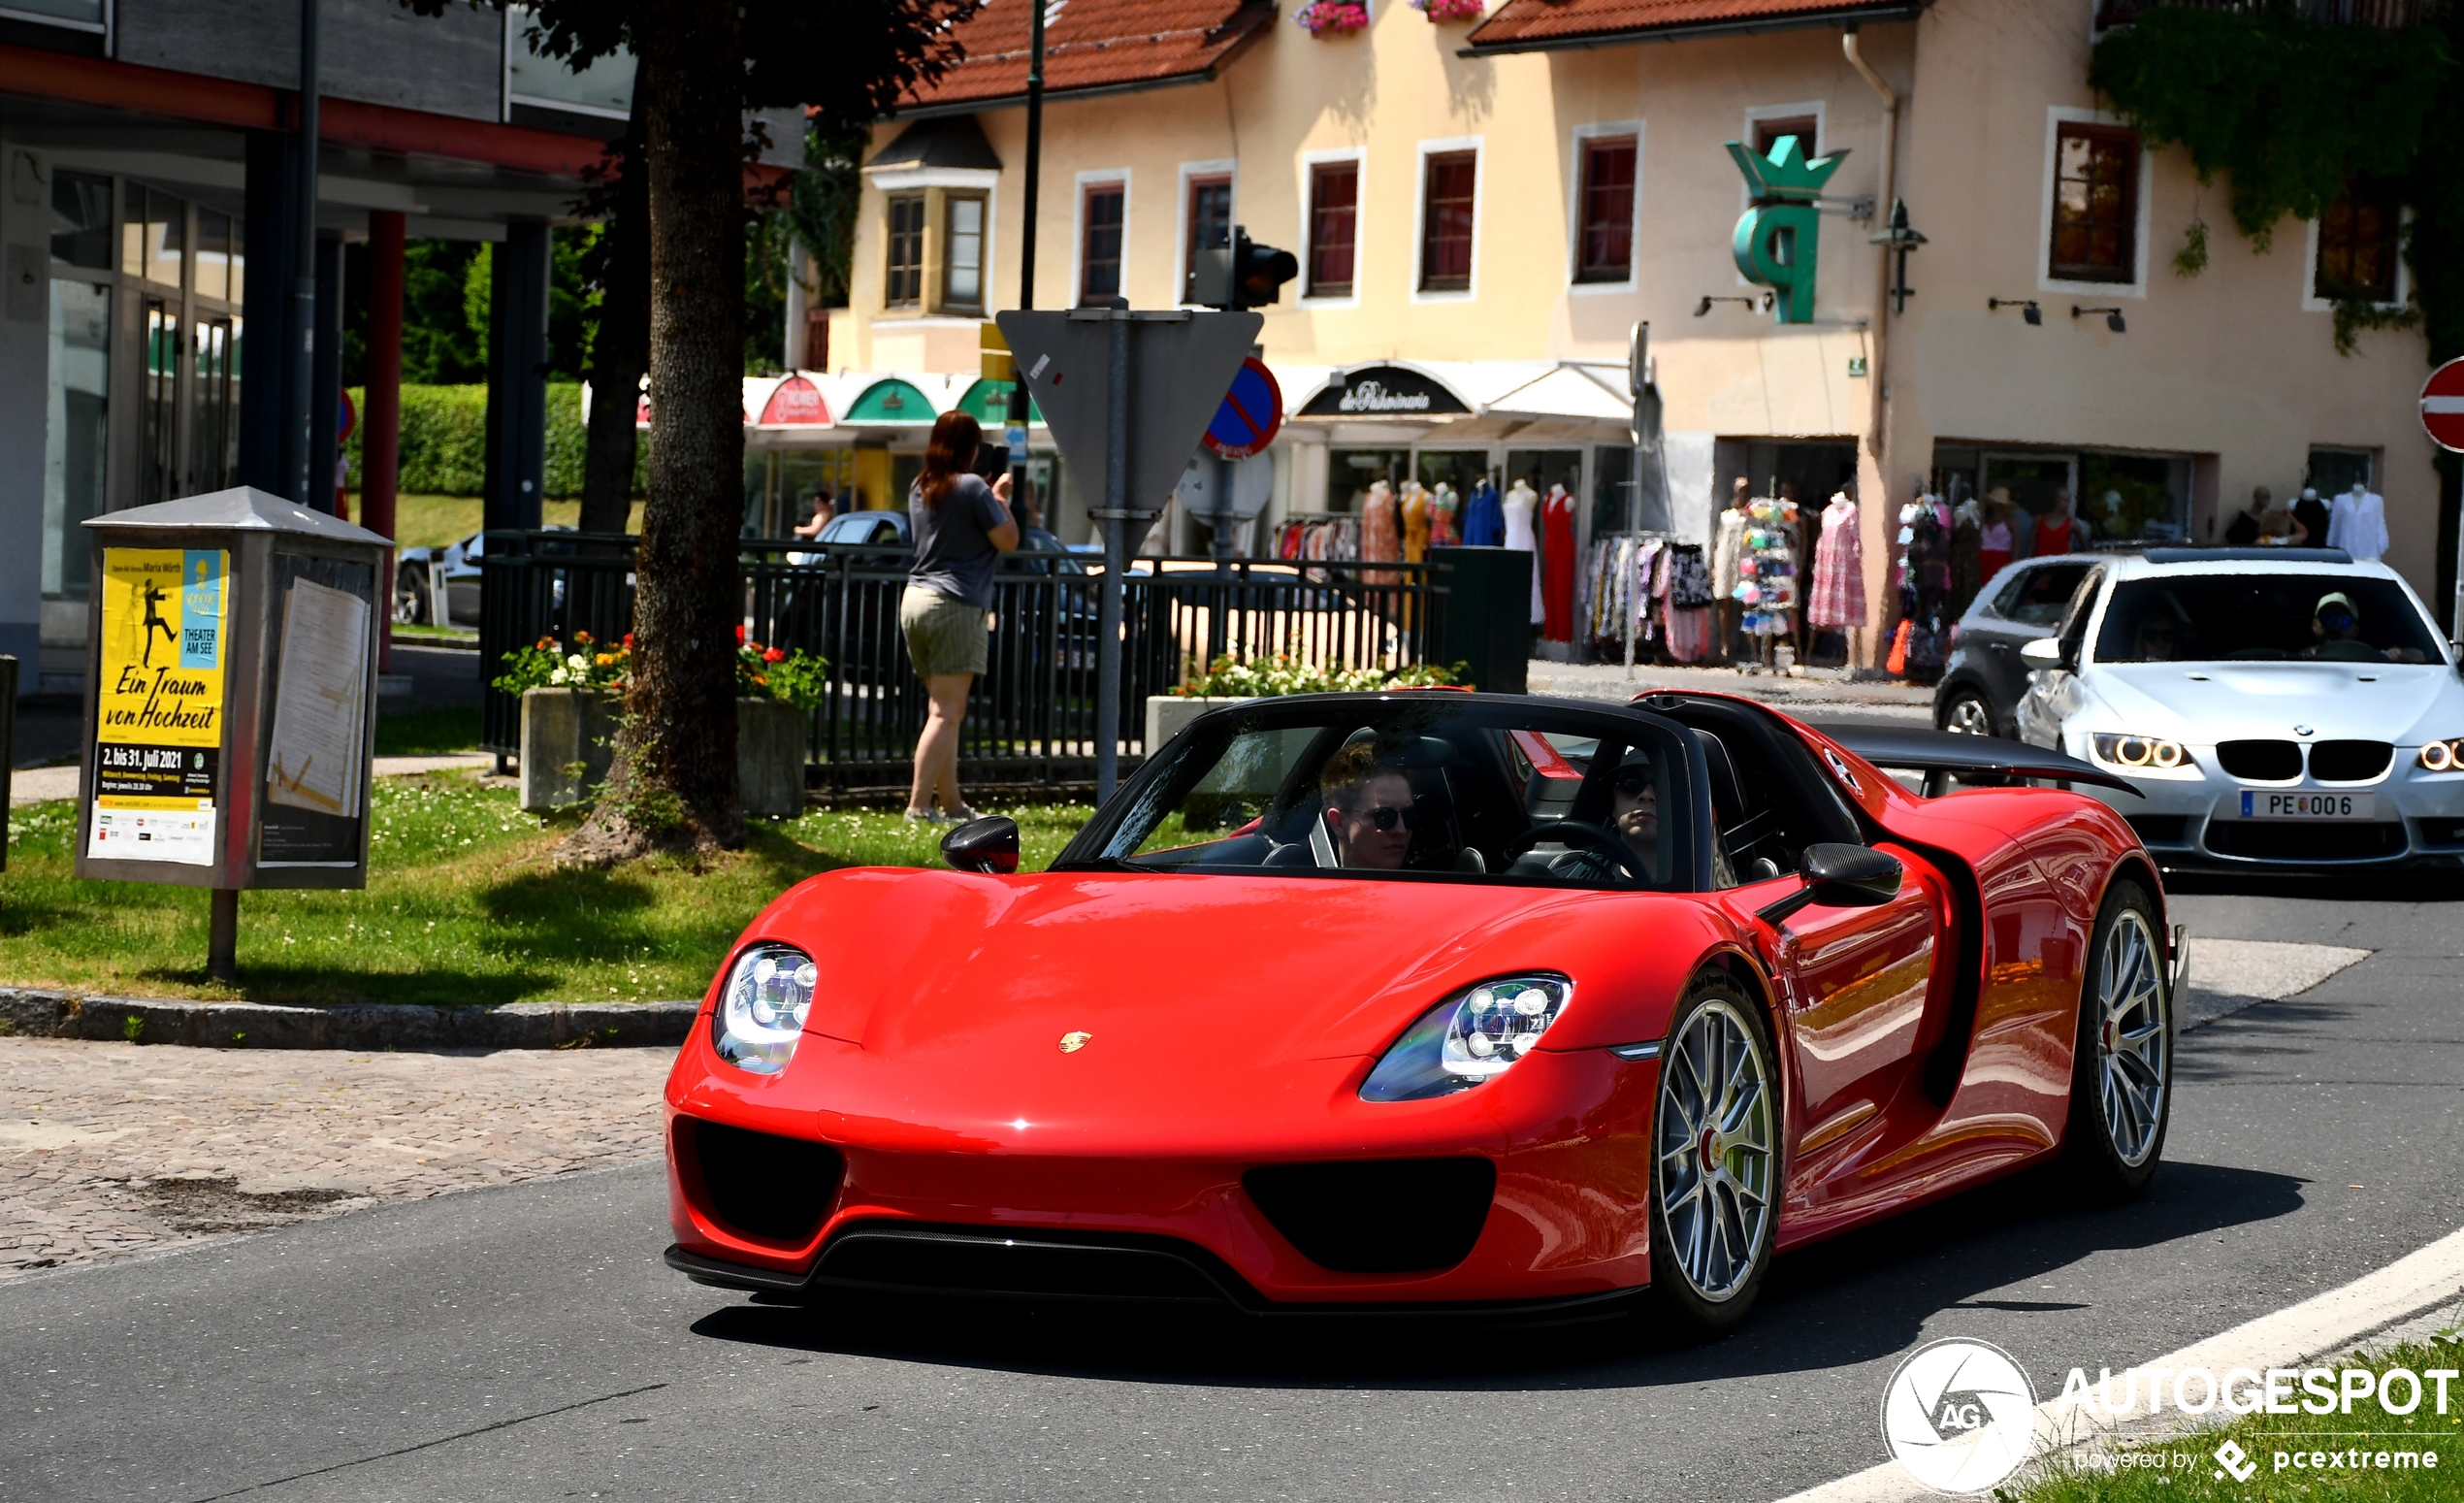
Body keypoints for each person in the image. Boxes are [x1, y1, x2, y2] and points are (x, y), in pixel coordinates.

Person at [901, 411, 1019, 823]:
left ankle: (952, 804)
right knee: (946, 713)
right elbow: (1008, 540)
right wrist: (1000, 497)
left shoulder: (921, 484)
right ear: (971, 448)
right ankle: (917, 807)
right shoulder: (972, 487)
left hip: (916, 600)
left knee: (944, 709)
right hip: (956, 604)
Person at [1318, 741, 1415, 870]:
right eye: (1384, 817)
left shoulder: (1436, 886)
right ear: (1338, 823)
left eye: (1409, 815)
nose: (1401, 830)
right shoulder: (1305, 886)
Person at [1610, 758, 1661, 880]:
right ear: (1612, 804)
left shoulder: (1707, 884)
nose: (1646, 795)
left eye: (1662, 786)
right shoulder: (1578, 879)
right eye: (1631, 783)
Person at [2308, 591, 2376, 662]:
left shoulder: (2373, 662)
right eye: (2327, 619)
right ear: (2314, 625)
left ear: (2355, 630)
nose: (2334, 626)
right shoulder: (2300, 663)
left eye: (2343, 620)